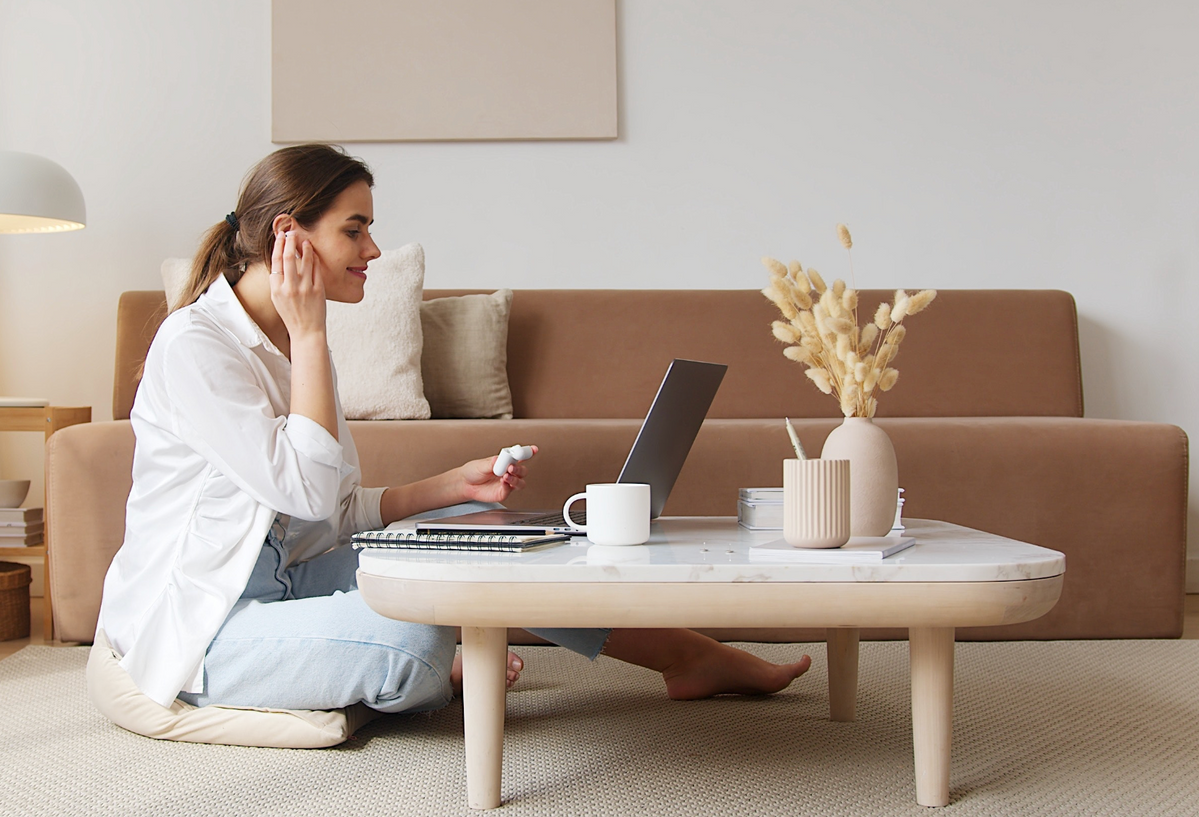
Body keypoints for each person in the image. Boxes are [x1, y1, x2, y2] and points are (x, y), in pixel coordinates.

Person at [94, 144, 812, 722]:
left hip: (291, 576)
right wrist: (312, 333)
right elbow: (310, 493)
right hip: (204, 622)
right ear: (290, 234)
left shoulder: (294, 344)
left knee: (488, 536)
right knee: (416, 633)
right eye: (354, 228)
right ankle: (441, 656)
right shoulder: (198, 347)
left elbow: (336, 514)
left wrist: (451, 488)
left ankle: (686, 655)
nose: (373, 249)